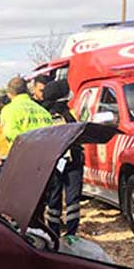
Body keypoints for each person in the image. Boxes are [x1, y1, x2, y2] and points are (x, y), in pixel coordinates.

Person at [42, 79, 83, 237]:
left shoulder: (45, 115)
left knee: (55, 198)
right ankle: (71, 232)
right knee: (72, 199)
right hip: (71, 161)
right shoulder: (66, 114)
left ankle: (54, 232)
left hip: (53, 162)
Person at [0, 77, 54, 144]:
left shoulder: (8, 110)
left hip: (23, 152)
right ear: (27, 90)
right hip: (45, 151)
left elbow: (9, 132)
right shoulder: (42, 110)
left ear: (9, 94)